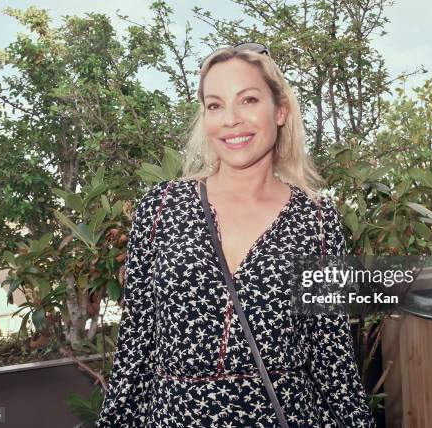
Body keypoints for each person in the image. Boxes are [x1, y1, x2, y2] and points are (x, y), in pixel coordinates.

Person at [95, 42, 376, 427]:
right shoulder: (161, 207)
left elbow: (333, 361)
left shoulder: (319, 220)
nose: (230, 119)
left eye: (247, 100)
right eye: (215, 105)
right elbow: (135, 348)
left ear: (280, 111)